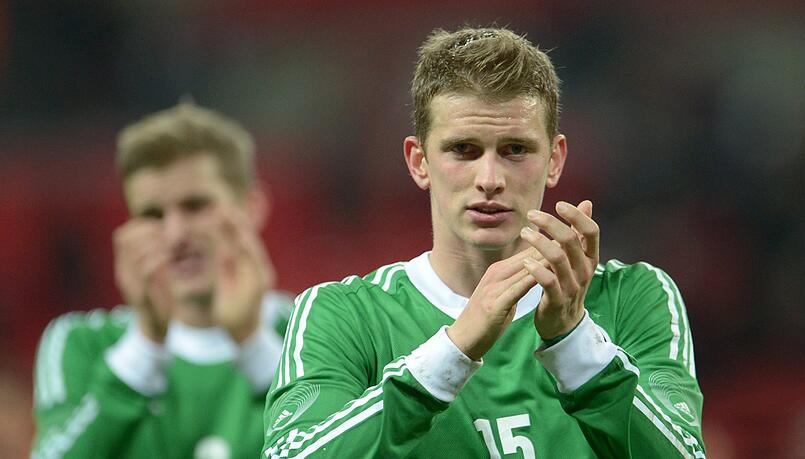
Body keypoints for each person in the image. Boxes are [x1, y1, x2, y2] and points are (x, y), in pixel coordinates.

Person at [262, 26, 705, 458]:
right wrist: (452, 350)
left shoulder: (632, 299)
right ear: (419, 162)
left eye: (515, 150)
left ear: (555, 160)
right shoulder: (343, 316)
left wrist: (574, 343)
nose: (490, 179)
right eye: (463, 150)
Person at [32, 101, 292, 459]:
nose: (175, 236)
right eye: (152, 215)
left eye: (195, 206)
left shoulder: (315, 333)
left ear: (251, 208)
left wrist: (254, 344)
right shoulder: (82, 343)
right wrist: (144, 346)